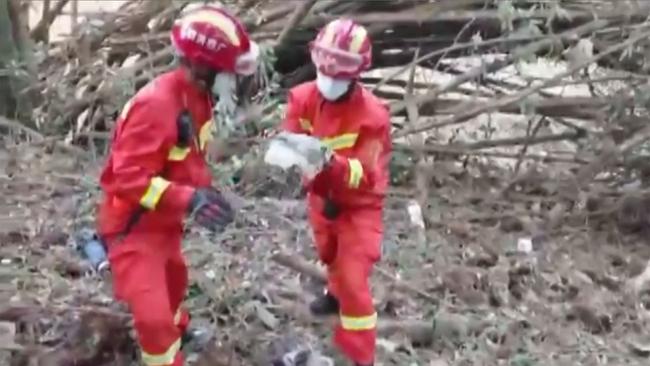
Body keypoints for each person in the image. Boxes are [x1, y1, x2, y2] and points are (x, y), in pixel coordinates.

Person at [96, 5, 259, 366]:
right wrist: (190, 199)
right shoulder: (156, 106)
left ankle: (179, 329)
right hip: (133, 228)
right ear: (203, 67)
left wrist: (205, 194)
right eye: (229, 72)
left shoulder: (196, 98)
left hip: (163, 223)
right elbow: (126, 179)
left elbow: (187, 158)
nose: (234, 80)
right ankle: (164, 356)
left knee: (173, 281)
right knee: (153, 317)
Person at [279, 18, 392, 366]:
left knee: (355, 278)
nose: (328, 77)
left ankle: (359, 354)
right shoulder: (301, 98)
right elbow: (291, 135)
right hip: (320, 197)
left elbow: (366, 172)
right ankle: (333, 294)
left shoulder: (372, 116)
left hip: (359, 206)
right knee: (329, 254)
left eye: (337, 70)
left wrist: (331, 164)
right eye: (324, 67)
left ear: (355, 72)